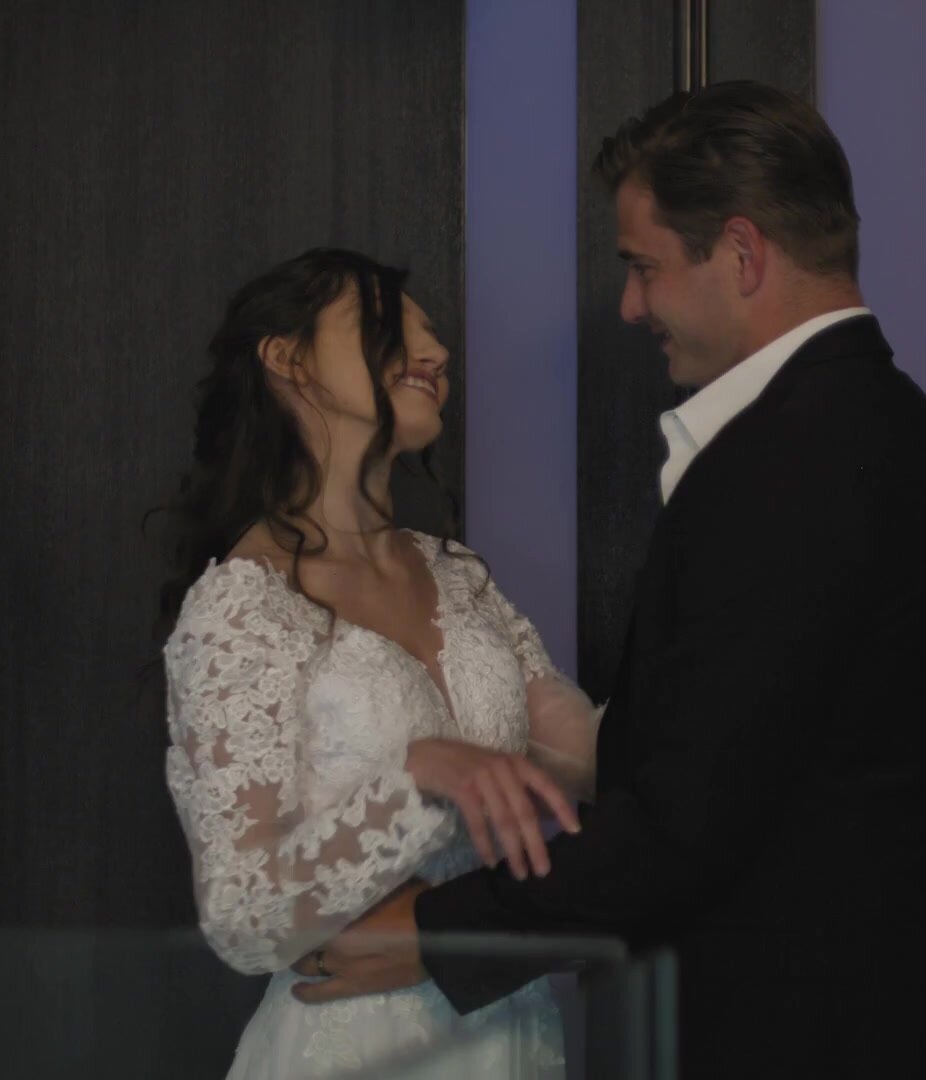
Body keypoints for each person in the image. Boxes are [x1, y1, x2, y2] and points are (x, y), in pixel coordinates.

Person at [303, 82, 926, 1078]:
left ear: (743, 254)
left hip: (808, 1035)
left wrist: (433, 931)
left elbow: (688, 821)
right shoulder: (891, 428)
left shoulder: (794, 461)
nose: (632, 306)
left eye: (644, 267)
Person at [158, 248, 601, 1077]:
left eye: (431, 334)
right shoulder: (243, 604)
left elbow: (595, 757)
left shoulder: (458, 578)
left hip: (506, 1032)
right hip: (353, 1048)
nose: (434, 352)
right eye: (387, 326)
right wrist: (417, 776)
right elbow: (241, 918)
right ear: (287, 360)